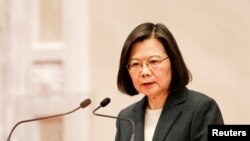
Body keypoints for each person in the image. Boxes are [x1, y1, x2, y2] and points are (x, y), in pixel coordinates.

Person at [115, 22, 224, 141]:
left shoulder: (202, 108)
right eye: (136, 64)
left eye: (154, 61)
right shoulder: (125, 117)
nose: (144, 72)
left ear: (173, 62)